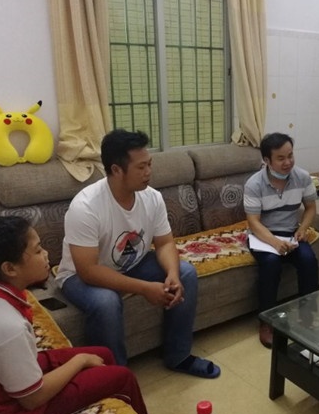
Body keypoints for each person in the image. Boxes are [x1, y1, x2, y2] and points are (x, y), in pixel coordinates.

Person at [0, 216, 174, 414]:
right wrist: (80, 361)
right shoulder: (6, 326)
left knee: (104, 354)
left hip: (6, 381)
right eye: (38, 250)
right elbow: (32, 398)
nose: (46, 254)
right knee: (122, 378)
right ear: (9, 269)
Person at [55, 129, 220, 378]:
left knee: (185, 273)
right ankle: (115, 377)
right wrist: (145, 288)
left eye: (149, 164)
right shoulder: (85, 207)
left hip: (131, 263)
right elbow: (88, 270)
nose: (148, 172)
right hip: (78, 276)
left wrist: (172, 274)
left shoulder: (152, 197)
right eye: (141, 167)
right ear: (116, 170)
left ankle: (179, 356)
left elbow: (164, 243)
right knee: (106, 301)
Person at [243, 132, 319, 348]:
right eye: (281, 158)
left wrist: (302, 229)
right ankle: (266, 322)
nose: (288, 162)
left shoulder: (302, 177)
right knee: (271, 263)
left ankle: (307, 315)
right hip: (263, 235)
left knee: (308, 260)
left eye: (290, 155)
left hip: (291, 233)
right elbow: (253, 222)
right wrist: (275, 243)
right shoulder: (254, 184)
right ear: (267, 160)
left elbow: (311, 207)